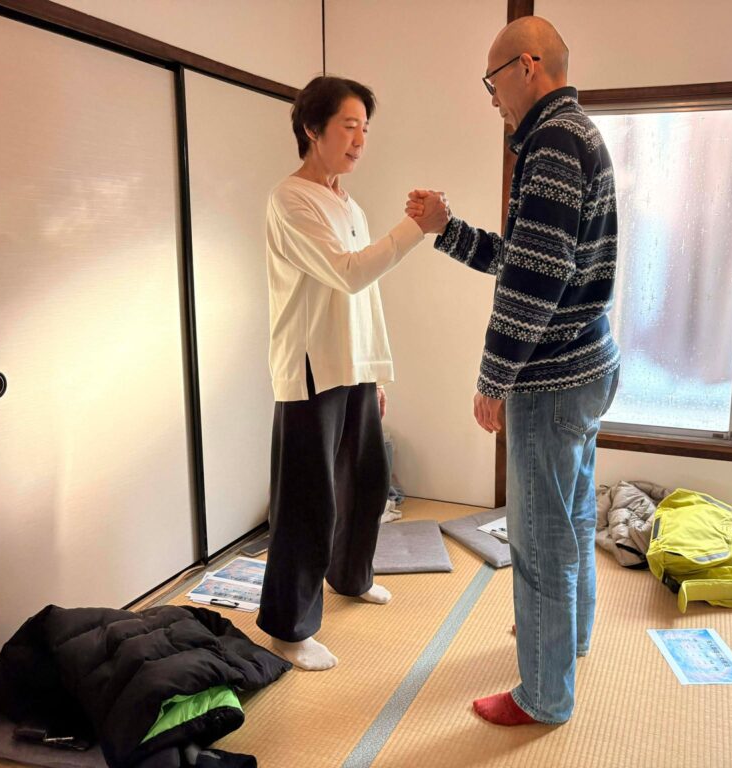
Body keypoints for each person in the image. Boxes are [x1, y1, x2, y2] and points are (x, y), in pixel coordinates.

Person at [406, 16, 620, 725]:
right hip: (589, 362)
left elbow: (535, 278)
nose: (492, 97)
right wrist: (447, 229)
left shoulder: (552, 141)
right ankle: (569, 640)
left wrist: (494, 377)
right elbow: (523, 255)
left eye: (492, 81)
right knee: (573, 515)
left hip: (552, 378)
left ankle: (545, 695)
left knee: (538, 541)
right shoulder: (576, 132)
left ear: (527, 66)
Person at [259, 76, 449, 671]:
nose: (360, 139)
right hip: (311, 368)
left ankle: (350, 575)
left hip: (354, 364)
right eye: (348, 126)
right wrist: (416, 228)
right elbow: (348, 273)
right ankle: (289, 628)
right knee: (307, 500)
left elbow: (365, 297)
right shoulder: (290, 200)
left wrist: (376, 372)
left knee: (368, 480)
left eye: (365, 128)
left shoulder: (349, 204)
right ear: (312, 129)